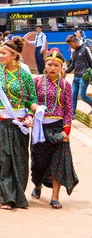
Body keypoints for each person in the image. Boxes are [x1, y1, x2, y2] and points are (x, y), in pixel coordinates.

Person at [0, 37, 38, 210]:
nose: (0, 56)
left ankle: (17, 195)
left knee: (19, 160)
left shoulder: (25, 75)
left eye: (3, 53)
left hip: (19, 124)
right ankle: (5, 197)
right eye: (0, 53)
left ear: (15, 55)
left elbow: (32, 98)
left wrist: (30, 115)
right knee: (0, 159)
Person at [31, 49, 79, 209]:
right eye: (49, 64)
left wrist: (66, 131)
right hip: (40, 128)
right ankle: (38, 185)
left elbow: (68, 110)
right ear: (45, 65)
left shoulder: (65, 85)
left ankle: (55, 196)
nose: (52, 68)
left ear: (61, 67)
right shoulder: (37, 82)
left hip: (58, 128)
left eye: (56, 65)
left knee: (58, 162)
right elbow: (30, 102)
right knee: (39, 163)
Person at [65, 34, 92, 114]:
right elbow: (72, 65)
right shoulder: (74, 52)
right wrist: (65, 71)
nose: (70, 46)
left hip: (84, 77)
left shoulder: (85, 49)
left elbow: (91, 61)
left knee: (82, 95)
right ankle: (72, 113)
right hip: (75, 77)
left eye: (70, 44)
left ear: (75, 41)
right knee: (73, 95)